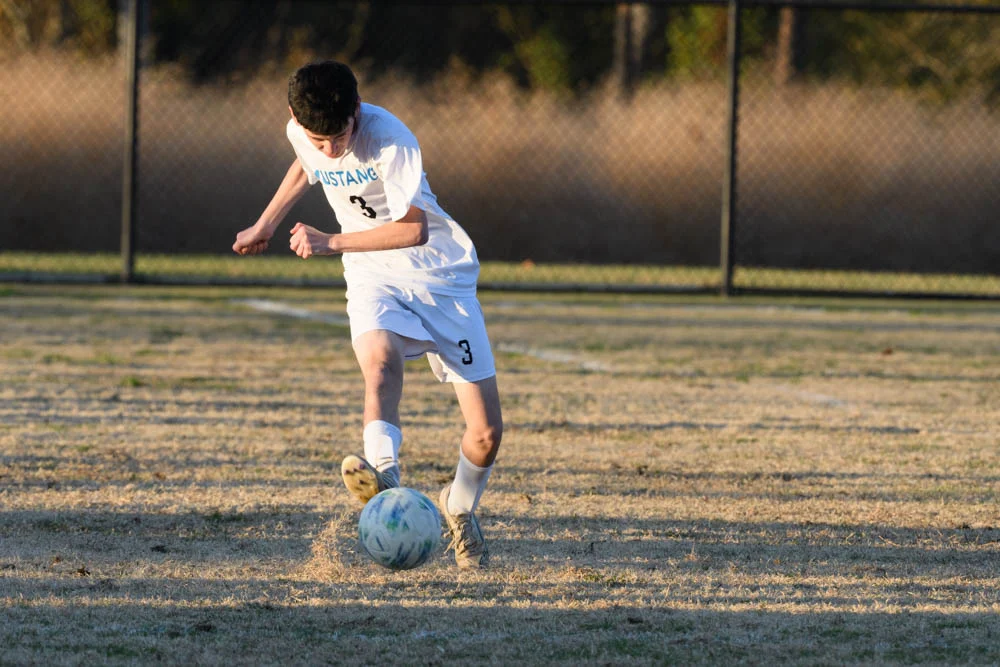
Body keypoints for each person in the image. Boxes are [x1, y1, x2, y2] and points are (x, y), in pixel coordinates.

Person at [232, 61, 502, 569]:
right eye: (318, 138)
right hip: (371, 273)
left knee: (486, 436)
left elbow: (414, 230)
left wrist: (329, 241)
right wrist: (265, 223)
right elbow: (306, 164)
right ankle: (385, 481)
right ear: (294, 117)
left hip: (440, 278)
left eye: (340, 136)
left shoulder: (392, 141)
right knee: (379, 362)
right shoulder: (304, 131)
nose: (331, 148)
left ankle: (458, 506)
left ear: (357, 110)